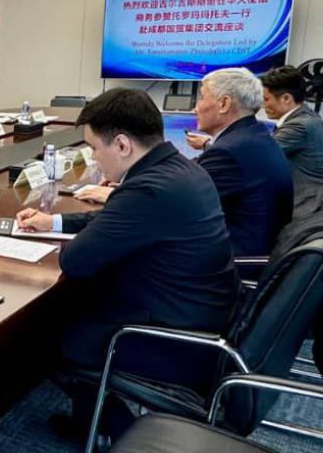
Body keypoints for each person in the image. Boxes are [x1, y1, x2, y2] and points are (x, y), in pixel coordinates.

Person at [16, 88, 239, 435]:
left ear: (122, 145)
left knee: (42, 330)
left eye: (94, 148)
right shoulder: (179, 168)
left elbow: (75, 260)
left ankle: (118, 430)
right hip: (202, 313)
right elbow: (118, 220)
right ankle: (93, 419)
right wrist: (55, 222)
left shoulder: (149, 189)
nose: (94, 159)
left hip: (172, 337)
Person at [185, 68, 293, 255]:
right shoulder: (254, 136)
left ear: (224, 104)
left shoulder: (228, 152)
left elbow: (184, 204)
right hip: (262, 248)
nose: (195, 108)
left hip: (235, 260)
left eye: (201, 98)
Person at [261, 65, 323, 219]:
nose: (263, 104)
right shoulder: (310, 118)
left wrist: (208, 146)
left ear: (286, 99)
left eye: (266, 99)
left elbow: (257, 156)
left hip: (305, 210)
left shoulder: (299, 126)